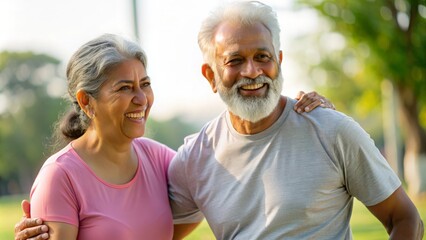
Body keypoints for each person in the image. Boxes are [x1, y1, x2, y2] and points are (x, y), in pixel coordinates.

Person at [13, 33, 333, 239]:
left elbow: (243, 161)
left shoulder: (159, 159)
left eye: (145, 84)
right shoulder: (60, 177)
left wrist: (304, 119)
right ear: (86, 101)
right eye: (125, 88)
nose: (142, 98)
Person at [166, 1, 424, 239]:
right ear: (210, 75)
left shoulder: (332, 131)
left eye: (262, 57)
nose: (252, 71)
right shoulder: (194, 158)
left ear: (278, 61)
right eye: (235, 60)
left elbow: (405, 218)